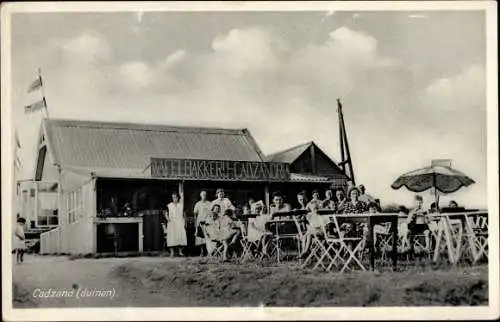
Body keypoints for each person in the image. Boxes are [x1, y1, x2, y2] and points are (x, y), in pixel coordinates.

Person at [165, 191, 187, 257]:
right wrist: (168, 219)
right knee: (172, 237)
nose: (175, 198)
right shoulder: (169, 205)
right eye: (173, 197)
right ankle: (172, 252)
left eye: (176, 197)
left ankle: (180, 252)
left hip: (180, 222)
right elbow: (165, 213)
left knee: (180, 237)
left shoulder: (181, 205)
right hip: (172, 223)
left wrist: (185, 222)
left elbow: (184, 214)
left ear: (178, 198)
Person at [194, 190, 212, 256]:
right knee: (200, 238)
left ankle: (208, 252)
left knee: (208, 238)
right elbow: (195, 214)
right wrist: (196, 223)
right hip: (200, 222)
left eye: (205, 195)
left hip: (207, 222)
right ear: (200, 196)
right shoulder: (198, 204)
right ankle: (201, 252)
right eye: (202, 195)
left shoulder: (209, 203)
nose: (204, 196)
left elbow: (211, 213)